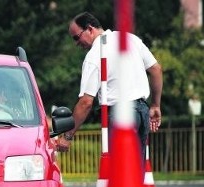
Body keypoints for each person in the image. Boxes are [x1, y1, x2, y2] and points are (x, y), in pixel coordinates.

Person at [58, 12, 163, 168]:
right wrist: (155, 105)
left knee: (119, 175)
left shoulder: (95, 55)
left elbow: (86, 102)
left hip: (120, 115)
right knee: (135, 174)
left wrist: (67, 136)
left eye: (76, 37)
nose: (76, 43)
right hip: (142, 112)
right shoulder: (128, 39)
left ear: (90, 29)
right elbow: (156, 69)